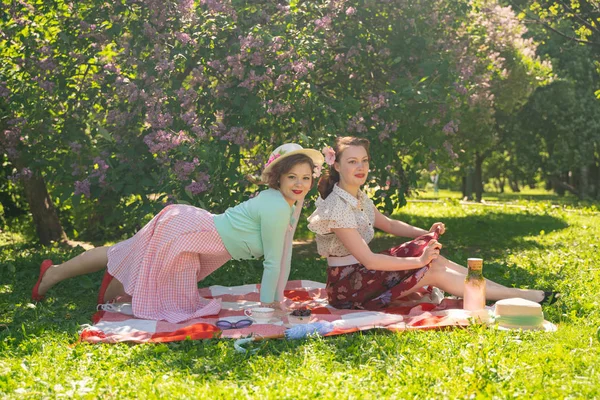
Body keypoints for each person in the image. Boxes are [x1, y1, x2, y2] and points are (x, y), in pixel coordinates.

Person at [32, 143, 324, 323]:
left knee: (124, 252)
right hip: (188, 229)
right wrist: (269, 307)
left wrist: (276, 300)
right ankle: (56, 275)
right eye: (292, 177)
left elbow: (282, 255)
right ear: (279, 178)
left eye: (306, 178)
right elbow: (272, 261)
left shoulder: (284, 202)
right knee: (123, 254)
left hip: (195, 235)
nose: (299, 184)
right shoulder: (276, 206)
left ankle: (73, 275)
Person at [307, 136, 559, 310]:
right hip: (348, 288)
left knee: (435, 260)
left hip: (362, 274)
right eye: (352, 162)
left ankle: (513, 294)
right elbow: (370, 260)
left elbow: (390, 225)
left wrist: (425, 233)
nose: (361, 167)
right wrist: (418, 261)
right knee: (431, 269)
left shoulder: (357, 196)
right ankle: (526, 297)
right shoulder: (336, 206)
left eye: (365, 160)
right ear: (337, 165)